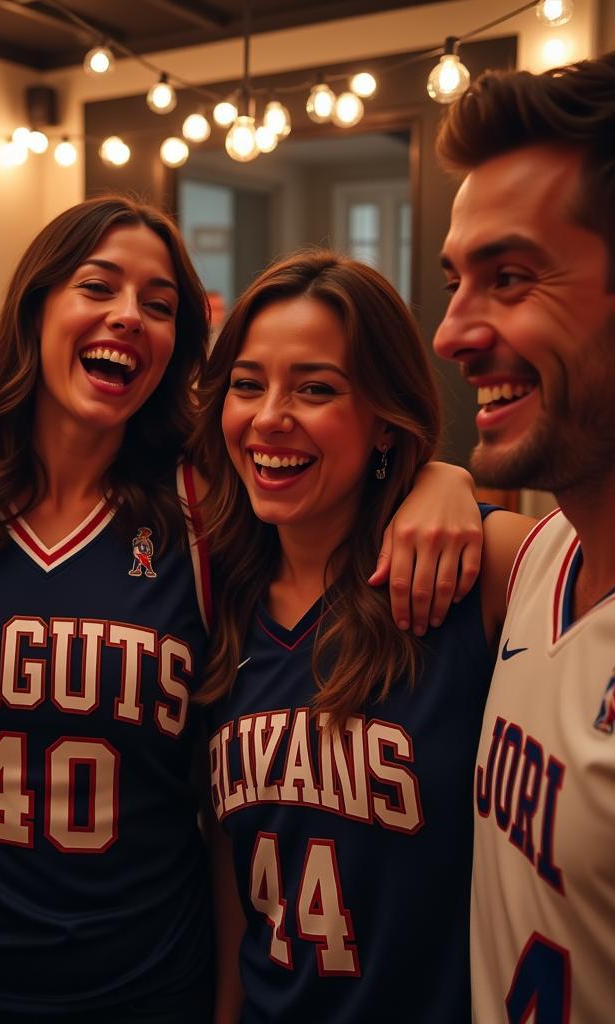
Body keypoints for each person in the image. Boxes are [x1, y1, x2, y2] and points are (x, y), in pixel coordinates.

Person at [0, 198, 486, 1022]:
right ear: (38, 303)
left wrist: (440, 477)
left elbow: (317, 469)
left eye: (162, 305)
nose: (130, 317)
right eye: (98, 286)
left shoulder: (204, 501)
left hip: (142, 980)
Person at [189, 250, 531, 1022]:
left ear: (384, 419)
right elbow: (233, 875)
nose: (270, 416)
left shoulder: (480, 566)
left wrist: (452, 477)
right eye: (248, 384)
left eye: (316, 388)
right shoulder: (213, 597)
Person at [433, 53, 615, 1022]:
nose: (451, 332)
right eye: (456, 281)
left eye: (508, 277)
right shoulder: (540, 552)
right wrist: (441, 475)